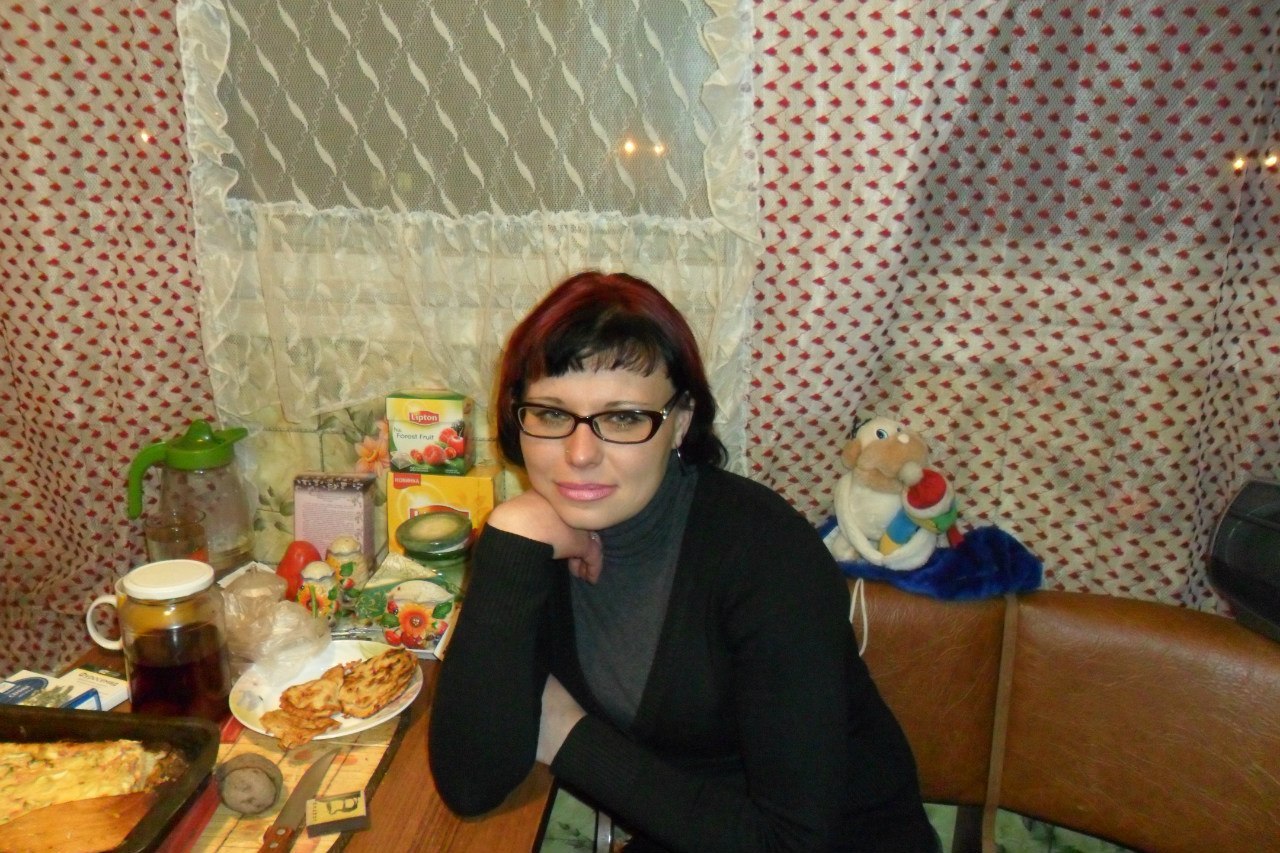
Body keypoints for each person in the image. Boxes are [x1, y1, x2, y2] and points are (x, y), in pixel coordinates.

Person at [429, 271, 937, 852]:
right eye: (550, 413)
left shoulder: (765, 557)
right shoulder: (539, 541)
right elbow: (471, 784)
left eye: (623, 418)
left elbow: (791, 842)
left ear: (680, 421)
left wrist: (567, 734)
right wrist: (510, 535)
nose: (579, 453)